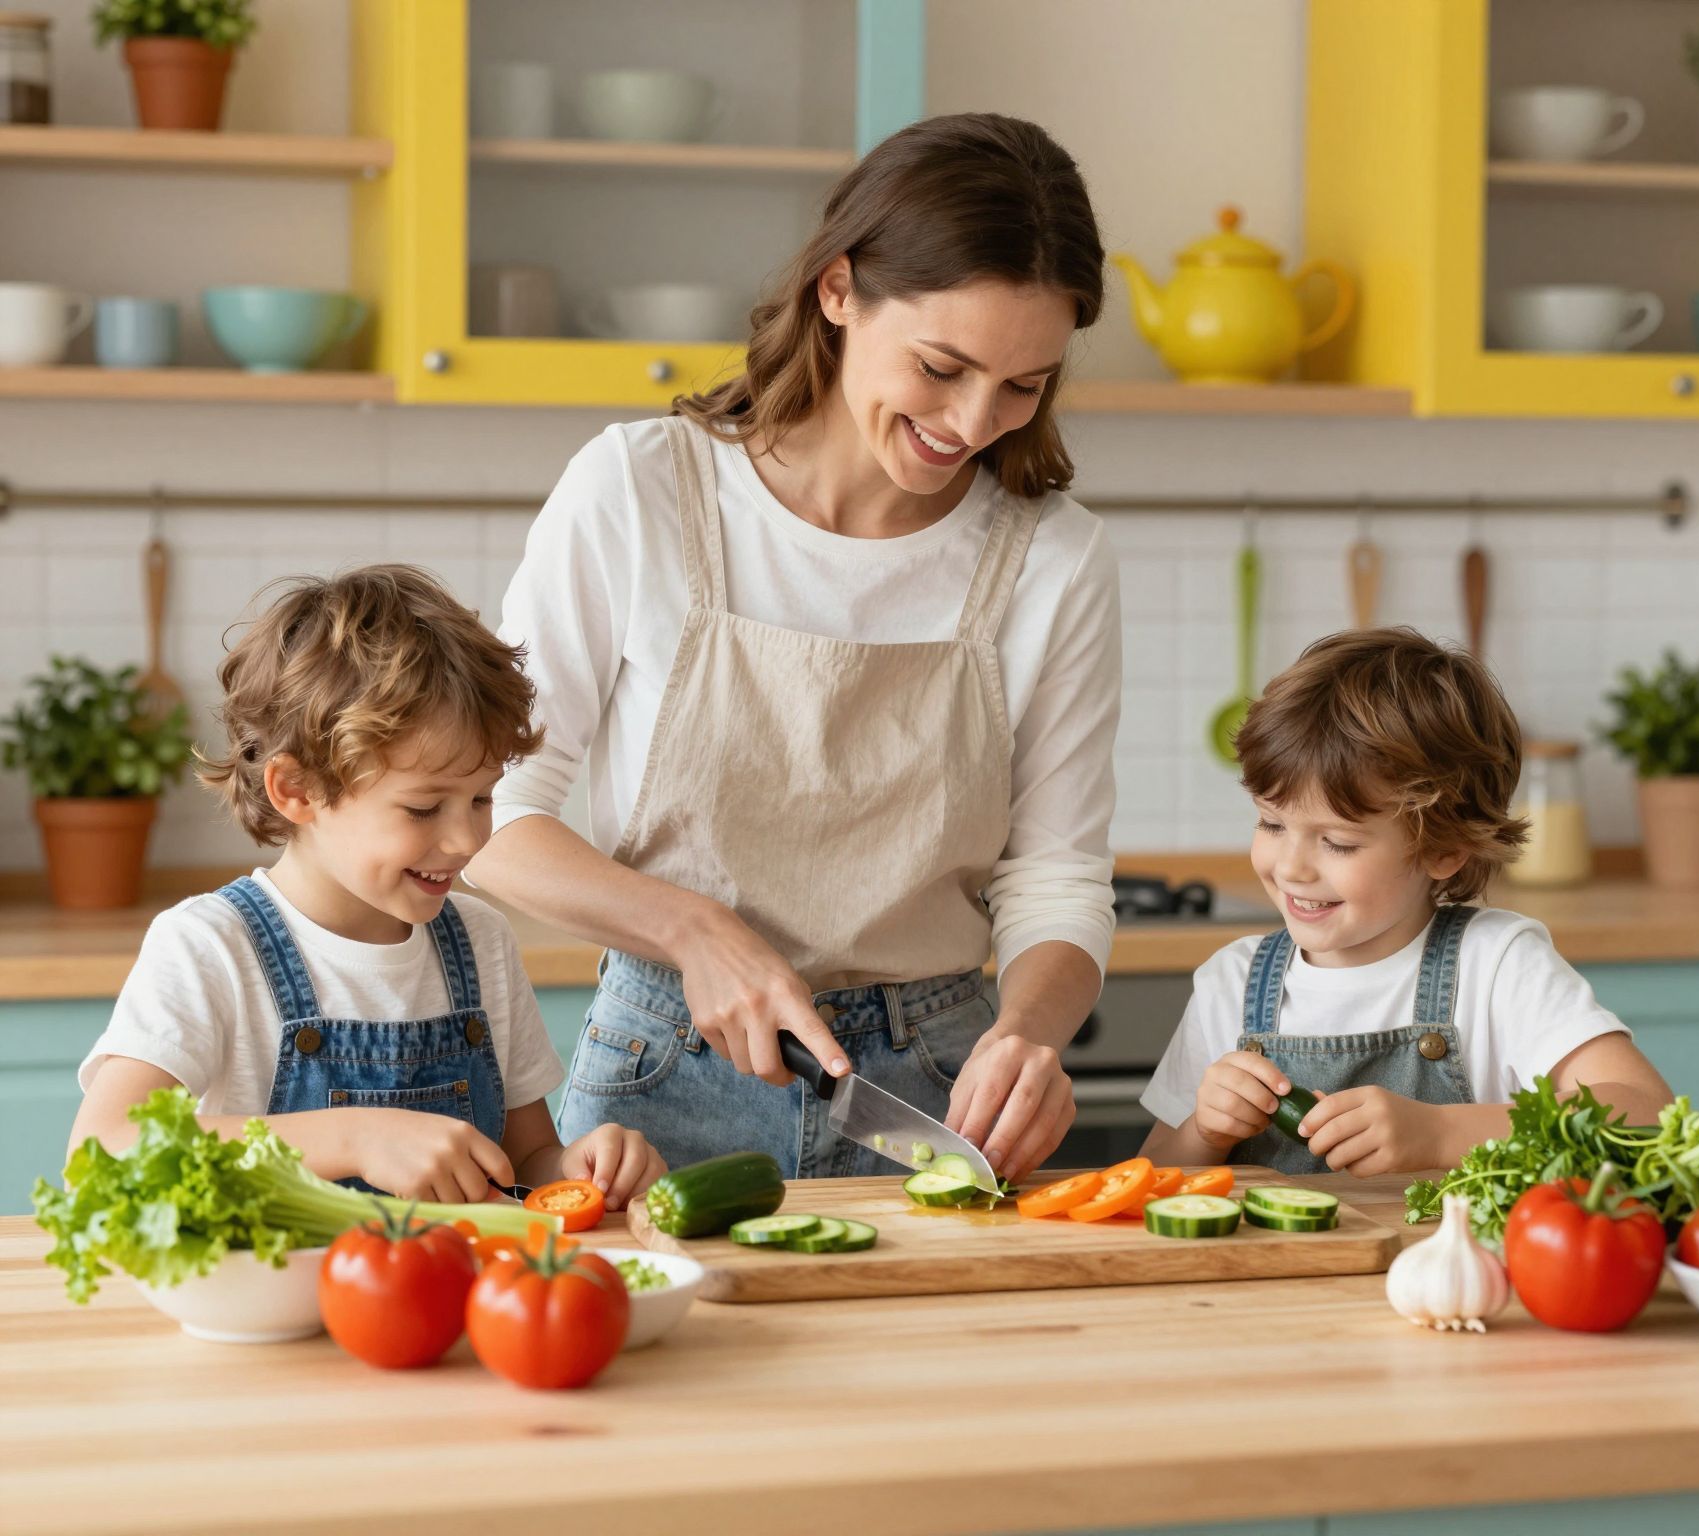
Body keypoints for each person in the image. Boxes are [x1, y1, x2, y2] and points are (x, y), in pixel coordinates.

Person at [470, 113, 1119, 1182]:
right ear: (838, 290)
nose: (970, 421)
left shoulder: (1053, 561)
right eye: (941, 366)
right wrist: (690, 932)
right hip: (659, 1080)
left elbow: (1054, 878)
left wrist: (1029, 1036)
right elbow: (495, 815)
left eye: (1022, 384)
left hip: (938, 1091)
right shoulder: (640, 492)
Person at [69, 565, 667, 1209]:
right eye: (423, 808)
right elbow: (102, 1150)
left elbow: (523, 1162)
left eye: (483, 798)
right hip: (281, 1307)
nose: (467, 841)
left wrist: (579, 1167)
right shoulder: (209, 946)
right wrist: (352, 1136)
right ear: (297, 789)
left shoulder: (480, 942)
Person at [1139, 628, 1673, 1177]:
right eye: (1271, 823)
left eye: (1337, 842)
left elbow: (1646, 1111)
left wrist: (1443, 1133)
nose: (1291, 867)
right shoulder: (1229, 983)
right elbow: (1150, 1176)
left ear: (1443, 849)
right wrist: (1203, 1134)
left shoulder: (1496, 964)